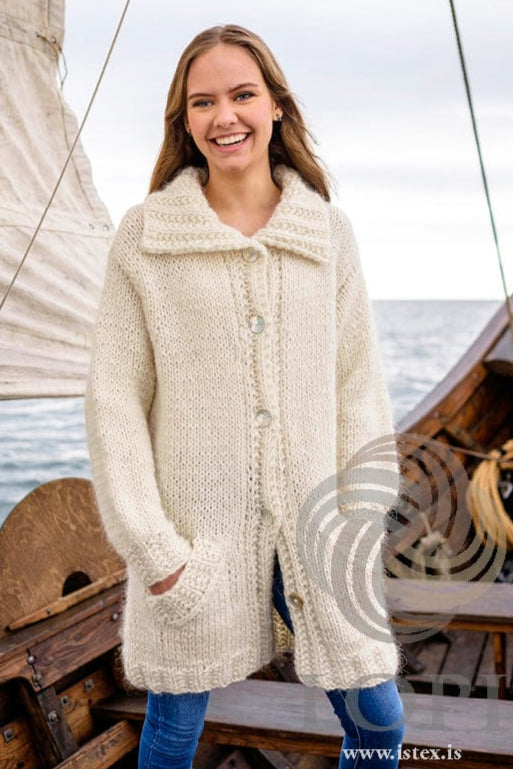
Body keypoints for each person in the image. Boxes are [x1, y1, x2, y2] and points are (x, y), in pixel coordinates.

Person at [84, 23, 405, 769]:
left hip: (318, 537)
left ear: (276, 106)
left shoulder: (327, 233)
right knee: (172, 738)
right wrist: (155, 549)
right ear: (184, 121)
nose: (223, 116)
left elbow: (358, 386)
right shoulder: (146, 237)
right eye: (203, 102)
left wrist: (358, 517)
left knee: (379, 726)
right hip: (194, 546)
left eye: (242, 95)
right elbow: (114, 401)